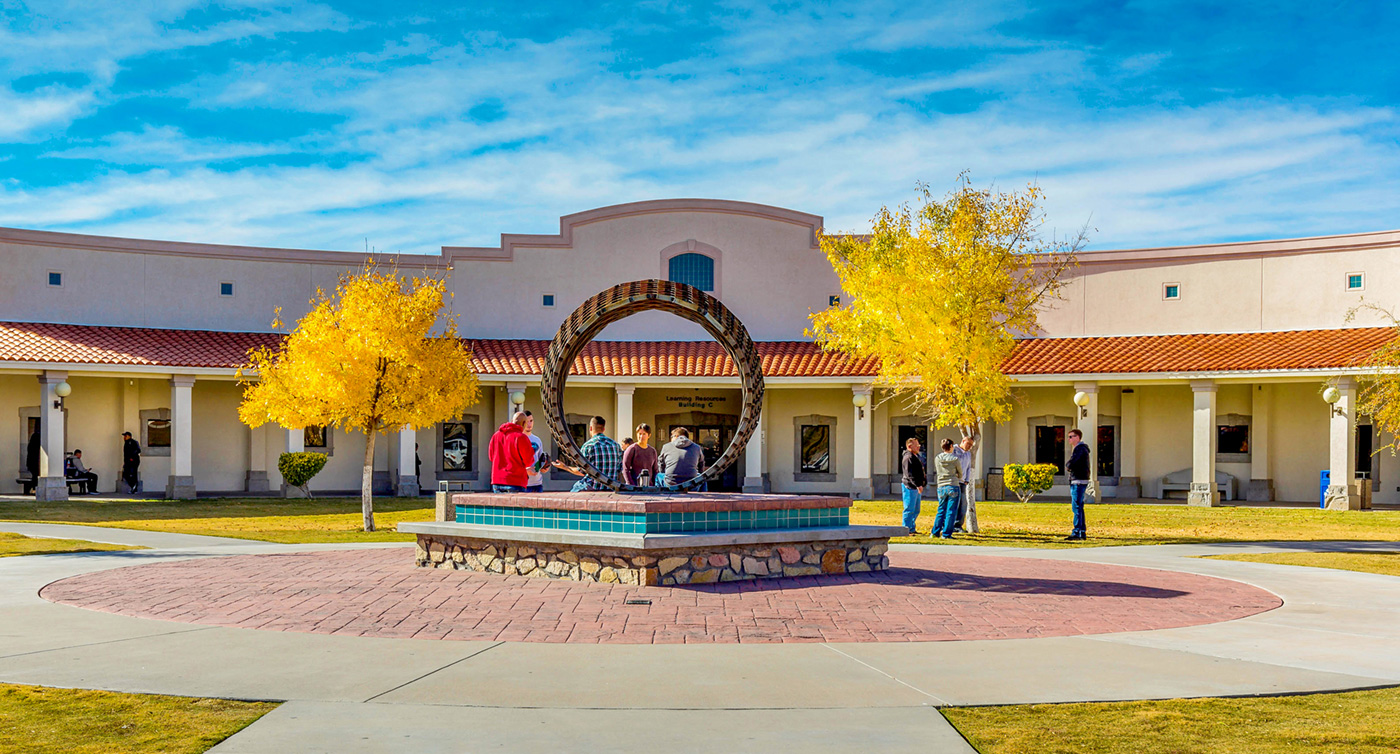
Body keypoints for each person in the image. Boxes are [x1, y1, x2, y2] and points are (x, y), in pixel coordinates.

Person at [552, 416, 622, 491]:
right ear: (603, 429)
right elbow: (619, 469)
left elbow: (581, 471)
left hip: (592, 487)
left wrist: (564, 467)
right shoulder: (616, 445)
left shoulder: (588, 446)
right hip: (610, 488)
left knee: (574, 490)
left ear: (590, 428)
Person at [487, 411, 534, 492]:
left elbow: (491, 457)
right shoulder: (521, 437)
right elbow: (528, 461)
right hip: (515, 481)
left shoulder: (496, 435)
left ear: (512, 421)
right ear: (524, 423)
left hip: (497, 481)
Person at [932, 438, 962, 539]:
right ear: (950, 447)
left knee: (941, 509)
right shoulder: (954, 459)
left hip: (941, 485)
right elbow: (960, 473)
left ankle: (935, 532)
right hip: (952, 484)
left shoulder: (937, 458)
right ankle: (946, 533)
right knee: (951, 511)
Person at [1065, 428, 1090, 540]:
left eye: (1071, 436)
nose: (1069, 439)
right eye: (1068, 437)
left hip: (1078, 481)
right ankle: (1081, 531)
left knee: (1076, 507)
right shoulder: (1080, 449)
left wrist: (1068, 465)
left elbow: (1074, 461)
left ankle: (1077, 532)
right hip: (1079, 480)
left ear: (1077, 437)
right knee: (1079, 506)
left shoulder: (1080, 449)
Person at [900, 436, 926, 535]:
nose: (919, 446)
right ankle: (906, 528)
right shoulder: (908, 457)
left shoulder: (914, 456)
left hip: (915, 487)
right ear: (910, 446)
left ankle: (911, 527)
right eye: (917, 445)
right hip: (910, 487)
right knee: (909, 509)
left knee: (916, 509)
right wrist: (918, 484)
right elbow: (909, 474)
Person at [951, 436, 975, 532]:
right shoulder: (954, 450)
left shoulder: (968, 454)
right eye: (968, 444)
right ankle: (949, 524)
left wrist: (967, 479)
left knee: (963, 504)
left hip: (963, 482)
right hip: (954, 481)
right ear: (963, 441)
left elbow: (969, 467)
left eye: (971, 445)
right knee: (953, 503)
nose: (969, 446)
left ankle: (958, 525)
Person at [522, 411, 547, 493]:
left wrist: (544, 467)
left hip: (537, 484)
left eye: (531, 421)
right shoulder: (517, 439)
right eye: (526, 421)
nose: (529, 424)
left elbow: (540, 459)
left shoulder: (537, 439)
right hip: (522, 484)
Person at [25, 421, 40, 491]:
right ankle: (33, 488)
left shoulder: (31, 445)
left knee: (35, 476)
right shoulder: (35, 446)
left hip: (32, 463)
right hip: (34, 463)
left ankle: (33, 488)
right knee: (35, 476)